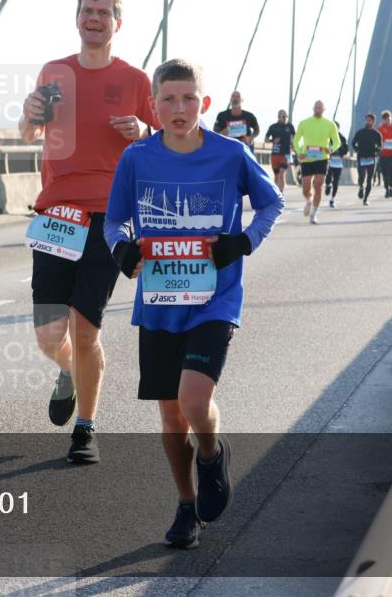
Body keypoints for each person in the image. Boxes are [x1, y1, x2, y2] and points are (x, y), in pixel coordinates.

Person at [105, 58, 282, 548]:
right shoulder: (137, 157)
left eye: (188, 99)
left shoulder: (232, 153)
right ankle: (186, 507)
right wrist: (122, 250)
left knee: (194, 402)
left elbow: (272, 203)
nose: (179, 108)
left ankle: (211, 452)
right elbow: (114, 222)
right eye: (168, 99)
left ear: (204, 104)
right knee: (169, 418)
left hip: (215, 298)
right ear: (154, 105)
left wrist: (243, 243)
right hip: (160, 300)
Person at [20, 0, 159, 463]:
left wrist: (143, 131)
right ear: (77, 18)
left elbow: (165, 143)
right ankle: (69, 373)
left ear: (117, 23)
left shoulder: (138, 80)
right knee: (47, 334)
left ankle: (86, 429)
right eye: (87, 10)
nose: (93, 18)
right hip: (56, 213)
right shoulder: (55, 72)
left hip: (109, 216)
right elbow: (28, 131)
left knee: (86, 330)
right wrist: (28, 116)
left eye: (103, 12)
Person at [293, 100, 341, 224]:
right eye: (316, 108)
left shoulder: (330, 124)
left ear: (324, 109)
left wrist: (330, 149)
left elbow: (337, 142)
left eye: (320, 108)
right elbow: (296, 140)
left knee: (318, 185)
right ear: (313, 109)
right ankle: (309, 200)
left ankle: (313, 214)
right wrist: (299, 152)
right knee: (305, 188)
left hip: (322, 158)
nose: (318, 110)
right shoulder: (304, 123)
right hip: (307, 159)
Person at [351, 114, 381, 206]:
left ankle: (366, 199)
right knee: (361, 176)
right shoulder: (360, 132)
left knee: (369, 179)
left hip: (372, 158)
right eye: (367, 120)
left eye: (370, 120)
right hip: (361, 158)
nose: (368, 122)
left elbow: (380, 146)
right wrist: (357, 150)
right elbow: (353, 143)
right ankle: (360, 187)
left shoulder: (376, 134)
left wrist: (376, 151)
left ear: (373, 122)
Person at [264, 109, 295, 193]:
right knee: (276, 175)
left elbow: (294, 139)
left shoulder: (290, 127)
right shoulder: (273, 127)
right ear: (278, 117)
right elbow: (266, 140)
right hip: (275, 155)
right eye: (283, 117)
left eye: (286, 117)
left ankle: (280, 193)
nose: (285, 118)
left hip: (286, 155)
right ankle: (276, 193)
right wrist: (273, 141)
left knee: (282, 173)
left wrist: (294, 148)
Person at [324, 120, 349, 208]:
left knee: (336, 181)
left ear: (338, 128)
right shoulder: (327, 136)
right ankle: (327, 185)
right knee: (328, 176)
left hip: (338, 162)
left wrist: (340, 152)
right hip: (329, 160)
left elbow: (346, 150)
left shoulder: (342, 138)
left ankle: (332, 199)